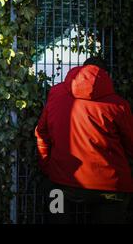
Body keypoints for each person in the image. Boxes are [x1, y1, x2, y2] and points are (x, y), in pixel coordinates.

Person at [35, 57, 133, 223]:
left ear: (80, 69)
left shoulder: (56, 94)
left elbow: (41, 133)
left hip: (61, 184)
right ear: (106, 75)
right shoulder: (119, 105)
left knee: (54, 204)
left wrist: (47, 166)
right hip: (110, 188)